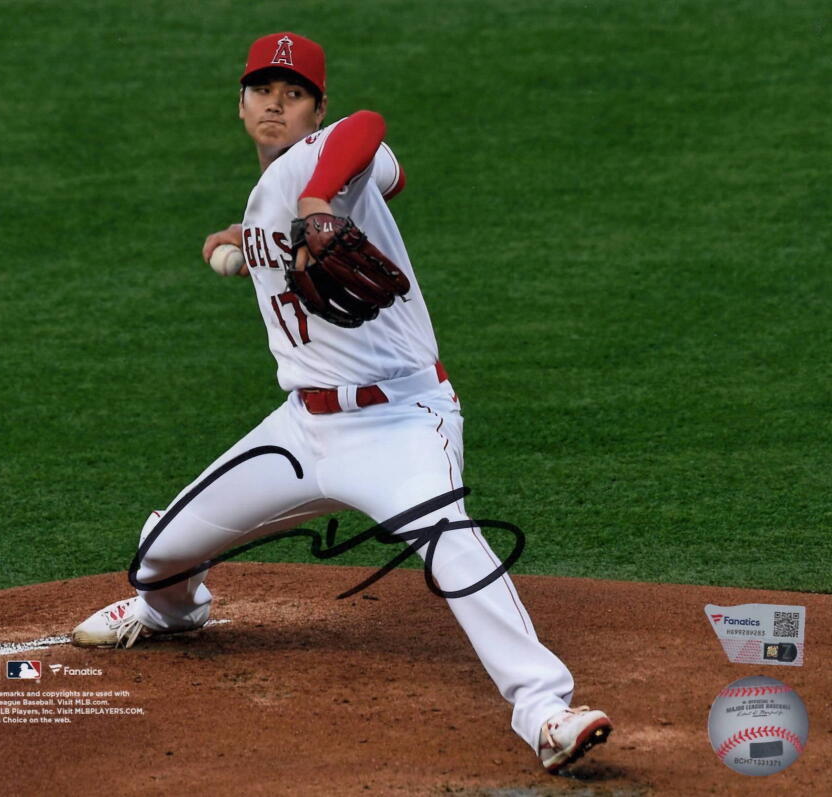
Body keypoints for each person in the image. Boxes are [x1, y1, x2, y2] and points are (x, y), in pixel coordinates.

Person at [72, 31, 612, 773]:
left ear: (315, 110)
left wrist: (324, 196)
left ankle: (547, 709)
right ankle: (172, 611)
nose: (275, 103)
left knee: (449, 538)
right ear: (240, 104)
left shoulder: (326, 160)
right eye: (263, 90)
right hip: (302, 430)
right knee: (155, 557)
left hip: (399, 421)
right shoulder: (273, 196)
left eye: (294, 95)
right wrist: (246, 238)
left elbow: (369, 132)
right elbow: (391, 179)